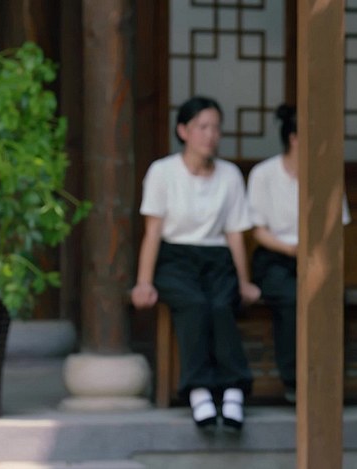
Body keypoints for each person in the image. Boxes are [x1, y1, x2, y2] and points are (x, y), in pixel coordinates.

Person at [131, 96, 260, 431]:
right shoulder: (162, 172)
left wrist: (244, 281)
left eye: (216, 127)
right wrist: (144, 282)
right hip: (175, 257)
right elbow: (153, 231)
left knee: (221, 305)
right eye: (202, 127)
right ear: (183, 131)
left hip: (217, 257)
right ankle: (199, 390)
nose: (210, 134)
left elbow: (235, 234)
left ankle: (233, 390)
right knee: (194, 304)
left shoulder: (230, 175)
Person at [246, 103, 351, 404]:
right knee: (292, 299)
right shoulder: (263, 174)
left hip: (319, 256)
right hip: (276, 255)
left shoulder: (328, 173)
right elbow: (258, 230)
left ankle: (329, 378)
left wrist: (315, 254)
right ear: (293, 138)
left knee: (330, 297)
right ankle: (295, 379)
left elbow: (337, 228)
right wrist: (292, 249)